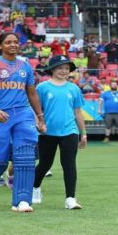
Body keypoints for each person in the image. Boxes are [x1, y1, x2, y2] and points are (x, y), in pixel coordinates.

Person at [0, 33, 46, 212]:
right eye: (8, 42)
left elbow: (32, 93)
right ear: (0, 45)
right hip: (1, 116)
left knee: (26, 158)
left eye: (15, 42)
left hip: (23, 114)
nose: (13, 45)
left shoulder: (25, 67)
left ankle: (22, 201)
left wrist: (40, 117)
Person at [33, 55, 86, 209]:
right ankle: (35, 189)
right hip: (47, 133)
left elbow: (78, 112)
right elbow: (36, 110)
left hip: (70, 132)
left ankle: (70, 199)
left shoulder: (74, 88)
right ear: (52, 69)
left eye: (67, 68)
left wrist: (83, 133)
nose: (64, 71)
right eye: (60, 68)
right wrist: (39, 124)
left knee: (69, 164)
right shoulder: (42, 88)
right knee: (44, 164)